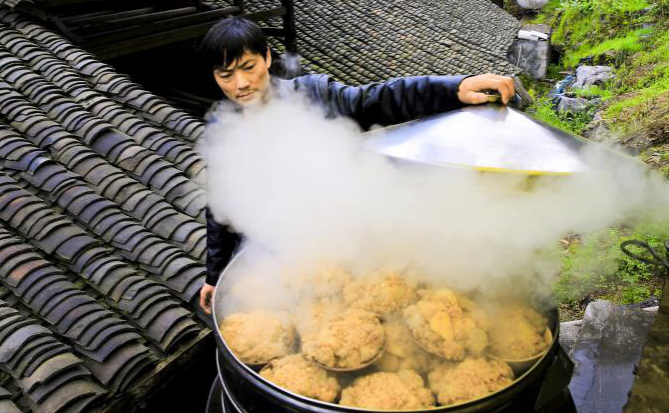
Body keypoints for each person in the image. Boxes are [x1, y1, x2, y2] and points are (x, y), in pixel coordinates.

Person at [197, 17, 515, 314]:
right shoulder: (220, 127)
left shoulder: (313, 95)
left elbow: (376, 99)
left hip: (336, 249)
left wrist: (452, 89)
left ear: (266, 57)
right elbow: (221, 205)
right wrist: (215, 275)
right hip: (269, 261)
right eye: (225, 75)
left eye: (248, 67)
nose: (240, 84)